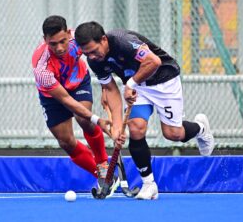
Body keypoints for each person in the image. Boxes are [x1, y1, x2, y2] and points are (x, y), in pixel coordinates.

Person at [75, 21, 215, 200]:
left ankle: (200, 128)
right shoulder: (95, 62)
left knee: (173, 134)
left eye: (94, 51)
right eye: (87, 53)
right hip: (138, 87)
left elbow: (153, 61)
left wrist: (131, 83)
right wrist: (117, 126)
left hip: (164, 79)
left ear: (103, 39)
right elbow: (110, 90)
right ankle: (149, 184)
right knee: (136, 128)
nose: (92, 57)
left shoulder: (122, 41)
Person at [31, 16, 119, 196]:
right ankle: (106, 177)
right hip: (53, 96)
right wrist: (98, 120)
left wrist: (105, 88)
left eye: (63, 41)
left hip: (78, 82)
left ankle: (103, 165)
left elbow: (98, 57)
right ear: (45, 40)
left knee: (84, 119)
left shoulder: (77, 41)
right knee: (66, 141)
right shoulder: (42, 68)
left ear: (69, 33)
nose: (60, 48)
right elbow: (66, 101)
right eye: (53, 44)